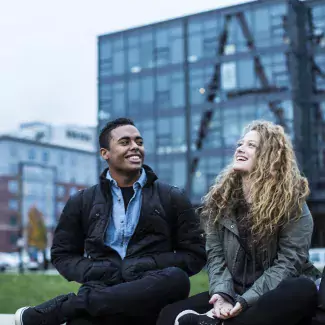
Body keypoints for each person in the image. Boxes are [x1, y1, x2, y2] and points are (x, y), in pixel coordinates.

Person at [15, 117, 206, 325]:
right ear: (105, 153)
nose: (135, 147)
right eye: (125, 142)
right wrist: (100, 270)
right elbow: (63, 254)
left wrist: (146, 265)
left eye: (139, 142)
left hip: (151, 293)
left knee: (176, 279)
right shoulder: (81, 201)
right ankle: (84, 306)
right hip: (102, 288)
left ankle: (67, 306)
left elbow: (194, 254)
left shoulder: (172, 197)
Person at [157, 120, 321, 325]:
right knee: (169, 314)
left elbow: (288, 265)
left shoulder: (292, 204)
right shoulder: (220, 201)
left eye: (251, 145)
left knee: (301, 289)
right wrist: (222, 295)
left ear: (270, 156)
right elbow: (216, 258)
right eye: (240, 144)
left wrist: (244, 301)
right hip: (234, 292)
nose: (241, 149)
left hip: (273, 293)